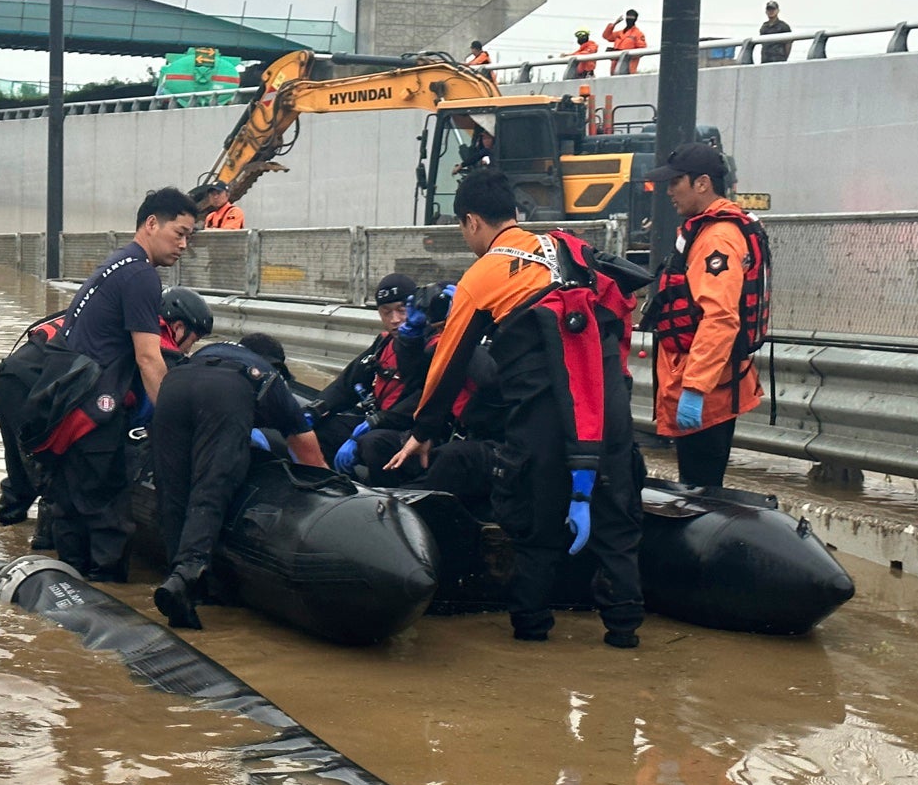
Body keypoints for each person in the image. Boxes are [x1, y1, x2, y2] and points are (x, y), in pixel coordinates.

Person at [387, 167, 644, 647]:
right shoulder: (571, 246)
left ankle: (532, 632)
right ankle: (625, 633)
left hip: (541, 415)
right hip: (604, 404)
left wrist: (422, 429)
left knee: (534, 525)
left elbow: (450, 361)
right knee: (617, 519)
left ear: (471, 222)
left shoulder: (483, 274)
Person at [23, 187, 196, 582]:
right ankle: (110, 595)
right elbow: (149, 357)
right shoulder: (141, 276)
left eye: (189, 236)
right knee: (106, 513)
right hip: (94, 411)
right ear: (152, 224)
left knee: (70, 506)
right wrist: (173, 425)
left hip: (64, 407)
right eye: (180, 233)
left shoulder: (115, 263)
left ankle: (68, 594)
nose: (184, 244)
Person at [0, 286, 213, 544]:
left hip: (9, 377)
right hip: (35, 387)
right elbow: (167, 394)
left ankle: (4, 534)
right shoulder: (155, 336)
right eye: (193, 340)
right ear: (177, 326)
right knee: (55, 476)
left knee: (23, 472)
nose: (188, 349)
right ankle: (45, 554)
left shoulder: (119, 315)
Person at [151, 331, 327, 629]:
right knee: (212, 486)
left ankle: (179, 587)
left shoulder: (210, 352)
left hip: (174, 383)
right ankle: (188, 573)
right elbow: (310, 456)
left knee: (173, 491)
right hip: (225, 392)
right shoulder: (269, 377)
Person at [641, 142, 768, 488]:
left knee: (700, 490)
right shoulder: (708, 230)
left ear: (702, 184)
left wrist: (695, 389)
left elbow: (720, 318)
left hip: (708, 390)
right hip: (713, 381)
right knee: (699, 485)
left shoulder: (718, 238)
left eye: (675, 182)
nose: (668, 191)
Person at [304, 272, 425, 460]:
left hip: (411, 429)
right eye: (386, 312)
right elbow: (346, 385)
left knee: (372, 443)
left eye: (402, 310)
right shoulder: (384, 343)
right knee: (323, 431)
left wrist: (375, 422)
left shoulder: (433, 345)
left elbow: (425, 398)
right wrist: (314, 410)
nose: (394, 319)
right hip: (377, 420)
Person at [603, 9, 647, 74]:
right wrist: (613, 24)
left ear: (635, 19)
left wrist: (620, 53)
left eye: (631, 17)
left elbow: (641, 52)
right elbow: (606, 36)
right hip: (615, 69)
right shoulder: (620, 33)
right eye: (628, 17)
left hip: (628, 70)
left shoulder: (638, 34)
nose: (629, 19)